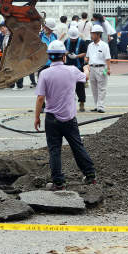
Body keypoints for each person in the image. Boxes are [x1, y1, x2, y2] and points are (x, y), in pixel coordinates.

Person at [34, 40, 97, 190]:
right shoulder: (72, 70)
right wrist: (87, 69)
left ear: (49, 56)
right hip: (69, 118)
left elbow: (40, 98)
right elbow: (85, 77)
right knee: (77, 146)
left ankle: (58, 183)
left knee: (54, 150)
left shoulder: (44, 73)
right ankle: (90, 176)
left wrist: (36, 117)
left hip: (51, 118)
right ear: (63, 56)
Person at [85, 24, 111, 113]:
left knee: (102, 89)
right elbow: (88, 58)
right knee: (94, 88)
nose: (91, 36)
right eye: (91, 34)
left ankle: (101, 106)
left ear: (99, 35)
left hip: (101, 68)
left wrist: (108, 68)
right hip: (92, 68)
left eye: (93, 34)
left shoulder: (104, 45)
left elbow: (108, 58)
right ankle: (96, 105)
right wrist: (88, 68)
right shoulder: (90, 46)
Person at [64, 27, 87, 112]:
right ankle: (70, 103)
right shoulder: (66, 42)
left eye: (74, 38)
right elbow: (63, 50)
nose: (73, 40)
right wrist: (65, 53)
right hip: (68, 67)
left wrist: (76, 56)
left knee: (80, 86)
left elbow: (84, 53)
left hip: (79, 67)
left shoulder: (82, 42)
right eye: (71, 38)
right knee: (69, 87)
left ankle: (81, 102)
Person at [38, 18, 58, 111]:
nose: (51, 31)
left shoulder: (55, 36)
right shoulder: (39, 36)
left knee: (53, 88)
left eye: (52, 29)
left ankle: (52, 105)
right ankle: (41, 106)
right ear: (45, 27)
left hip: (53, 64)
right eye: (50, 29)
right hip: (42, 65)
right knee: (42, 87)